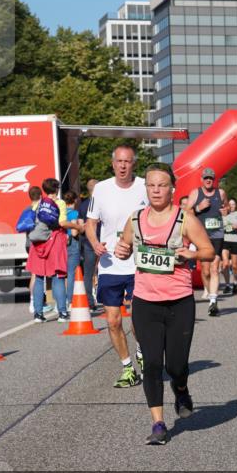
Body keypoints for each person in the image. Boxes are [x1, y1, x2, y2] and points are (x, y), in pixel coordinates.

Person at [114, 164, 215, 445]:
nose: (156, 190)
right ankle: (158, 424)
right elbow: (124, 248)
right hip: (146, 302)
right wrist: (121, 251)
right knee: (152, 363)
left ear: (172, 189)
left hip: (179, 302)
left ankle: (181, 389)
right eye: (151, 185)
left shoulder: (186, 220)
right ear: (145, 188)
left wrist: (191, 253)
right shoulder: (135, 220)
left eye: (162, 185)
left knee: (177, 364)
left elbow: (209, 251)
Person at [86, 144, 148, 388]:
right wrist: (94, 244)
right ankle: (127, 367)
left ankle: (142, 349)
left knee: (138, 318)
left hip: (138, 263)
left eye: (128, 161)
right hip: (111, 263)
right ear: (113, 164)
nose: (123, 166)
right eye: (119, 161)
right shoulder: (101, 189)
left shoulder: (145, 186)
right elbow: (91, 223)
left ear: (134, 164)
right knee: (112, 320)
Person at [27, 178, 72, 322]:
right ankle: (62, 313)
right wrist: (77, 227)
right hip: (55, 241)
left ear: (44, 190)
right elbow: (62, 223)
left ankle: (38, 314)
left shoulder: (37, 204)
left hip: (38, 244)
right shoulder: (60, 203)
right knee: (58, 277)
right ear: (57, 189)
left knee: (39, 277)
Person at [188, 167, 229, 316]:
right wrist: (199, 207)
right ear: (202, 180)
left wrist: (226, 211)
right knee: (205, 270)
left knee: (214, 268)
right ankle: (208, 290)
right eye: (206, 178)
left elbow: (226, 207)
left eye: (211, 178)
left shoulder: (221, 193)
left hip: (217, 234)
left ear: (214, 180)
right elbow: (186, 210)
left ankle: (213, 301)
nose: (208, 180)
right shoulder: (196, 193)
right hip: (202, 235)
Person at [78, 179, 100, 312]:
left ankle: (89, 303)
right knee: (106, 271)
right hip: (104, 242)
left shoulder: (83, 205)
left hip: (89, 242)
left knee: (88, 273)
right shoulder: (103, 203)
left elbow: (81, 227)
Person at [63, 189, 86, 285]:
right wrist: (83, 226)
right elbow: (74, 233)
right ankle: (71, 298)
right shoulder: (74, 213)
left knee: (63, 274)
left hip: (62, 243)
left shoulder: (62, 213)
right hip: (72, 244)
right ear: (75, 200)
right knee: (72, 273)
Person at [222, 197, 237, 296]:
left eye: (233, 204)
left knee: (234, 265)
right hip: (225, 240)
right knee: (225, 264)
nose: (231, 206)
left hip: (235, 240)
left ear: (236, 205)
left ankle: (235, 282)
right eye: (229, 204)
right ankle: (227, 284)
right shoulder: (223, 214)